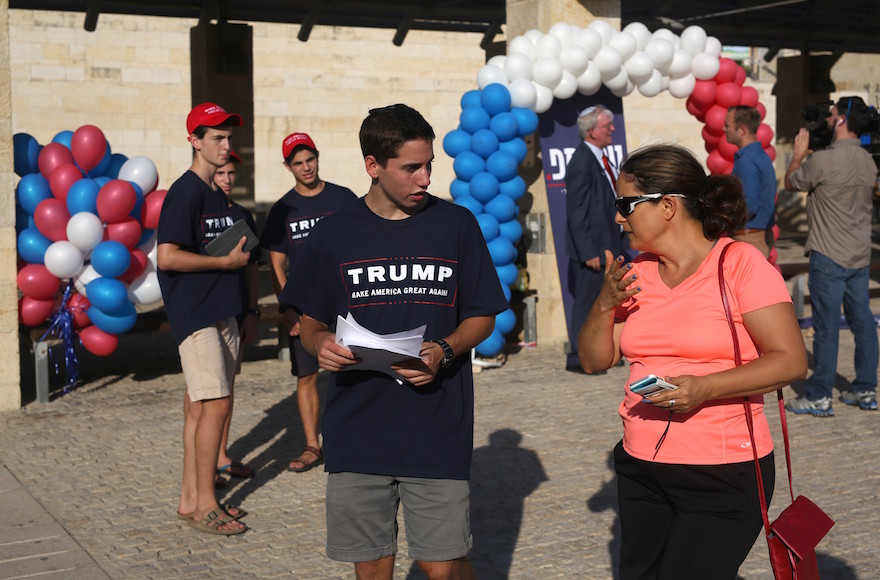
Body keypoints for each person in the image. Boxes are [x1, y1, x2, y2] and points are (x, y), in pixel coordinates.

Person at [280, 104, 507, 579]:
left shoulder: (456, 225)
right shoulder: (334, 234)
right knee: (372, 566)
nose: (424, 178)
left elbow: (482, 316)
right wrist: (319, 343)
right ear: (373, 166)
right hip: (356, 429)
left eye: (429, 166)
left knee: (442, 565)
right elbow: (309, 319)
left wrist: (444, 350)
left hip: (436, 426)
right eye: (411, 168)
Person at [578, 144, 807, 578]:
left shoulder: (740, 265)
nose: (617, 218)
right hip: (641, 466)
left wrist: (704, 388)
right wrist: (605, 303)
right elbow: (594, 360)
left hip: (722, 473)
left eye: (624, 205)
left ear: (667, 206)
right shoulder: (636, 273)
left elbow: (791, 361)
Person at [157, 102, 250, 536]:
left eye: (228, 137)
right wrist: (224, 265)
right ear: (194, 140)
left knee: (199, 404)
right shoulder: (186, 191)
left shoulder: (214, 193)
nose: (225, 145)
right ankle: (207, 506)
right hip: (196, 313)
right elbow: (167, 255)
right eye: (216, 137)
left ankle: (190, 499)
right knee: (217, 403)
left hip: (221, 309)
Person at [260, 133, 357, 472]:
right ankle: (312, 446)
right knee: (307, 376)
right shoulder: (283, 210)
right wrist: (289, 308)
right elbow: (275, 264)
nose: (306, 167)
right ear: (288, 167)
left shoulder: (343, 198)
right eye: (297, 163)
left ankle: (351, 440)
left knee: (353, 369)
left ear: (318, 157)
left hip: (346, 303)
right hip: (305, 310)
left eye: (309, 159)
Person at [784, 96, 879, 416]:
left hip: (828, 256)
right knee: (863, 322)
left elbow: (791, 181)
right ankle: (866, 390)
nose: (827, 119)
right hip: (859, 255)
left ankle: (820, 395)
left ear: (841, 121)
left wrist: (798, 154)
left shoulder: (822, 161)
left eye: (833, 114)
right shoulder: (868, 161)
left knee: (826, 328)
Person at [564, 104, 629, 372]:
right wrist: (588, 250)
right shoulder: (582, 160)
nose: (612, 129)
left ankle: (603, 353)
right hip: (593, 252)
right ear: (591, 131)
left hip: (608, 245)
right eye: (606, 126)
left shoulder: (601, 157)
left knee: (606, 304)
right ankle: (579, 358)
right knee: (586, 304)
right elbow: (576, 211)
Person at [212, 150, 259, 481]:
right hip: (204, 312)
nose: (227, 179)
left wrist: (252, 310)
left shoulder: (242, 214)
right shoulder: (200, 212)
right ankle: (204, 464)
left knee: (227, 386)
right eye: (221, 174)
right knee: (204, 395)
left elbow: (253, 267)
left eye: (231, 174)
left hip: (236, 311)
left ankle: (220, 455)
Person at [724, 105, 777, 258]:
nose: (723, 129)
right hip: (757, 235)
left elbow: (749, 205)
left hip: (748, 237)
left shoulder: (747, 160)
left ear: (742, 130)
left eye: (728, 125)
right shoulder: (760, 155)